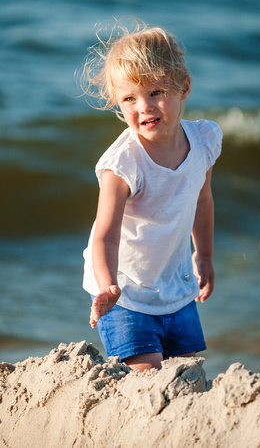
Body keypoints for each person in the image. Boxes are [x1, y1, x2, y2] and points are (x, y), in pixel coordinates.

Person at [81, 19, 222, 372]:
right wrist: (108, 285)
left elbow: (202, 201)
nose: (144, 107)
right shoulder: (123, 164)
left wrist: (203, 256)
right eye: (129, 98)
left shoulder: (204, 142)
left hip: (175, 290)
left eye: (156, 92)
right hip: (125, 295)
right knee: (146, 375)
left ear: (183, 87)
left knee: (187, 375)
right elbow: (105, 234)